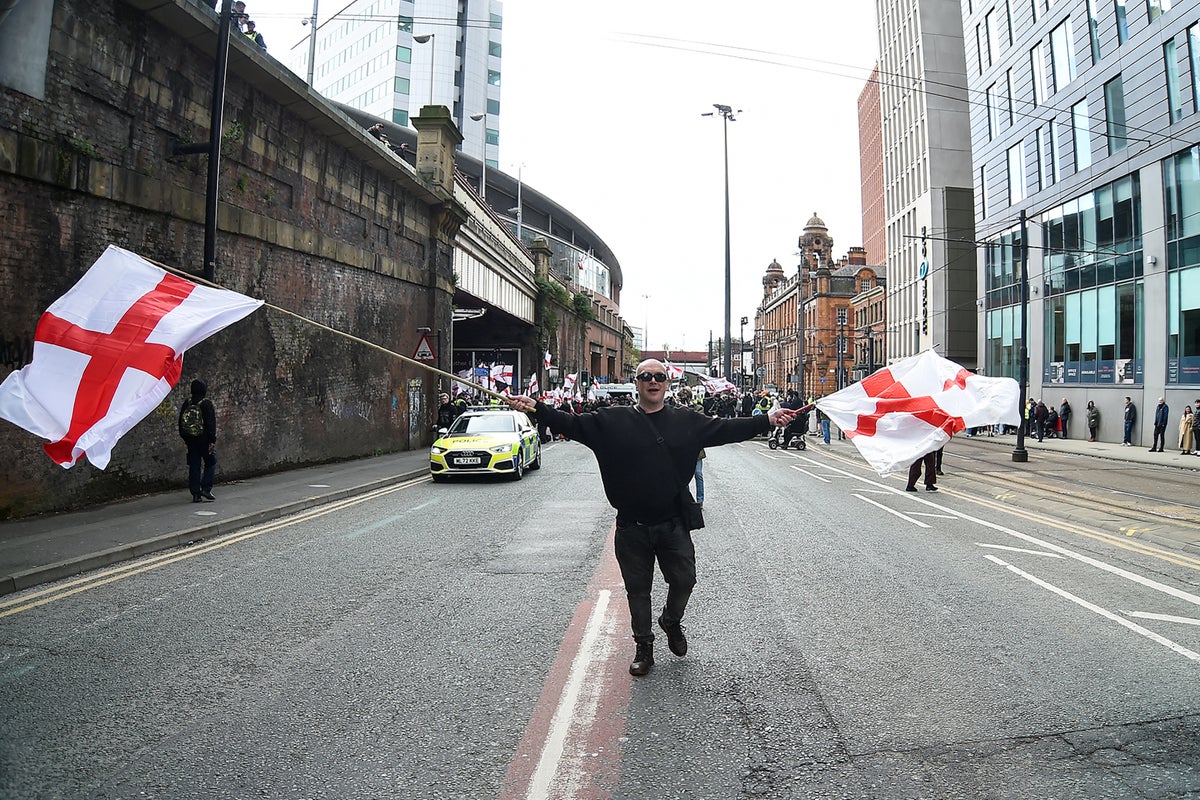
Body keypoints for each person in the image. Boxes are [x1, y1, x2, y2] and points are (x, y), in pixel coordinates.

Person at [504, 359, 796, 677]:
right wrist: (536, 407)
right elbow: (568, 423)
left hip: (673, 523)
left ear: (666, 383)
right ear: (637, 383)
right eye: (646, 377)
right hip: (631, 526)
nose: (653, 382)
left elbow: (728, 429)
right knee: (637, 591)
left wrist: (767, 419)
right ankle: (644, 647)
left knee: (685, 581)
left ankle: (671, 620)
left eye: (659, 377)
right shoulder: (609, 421)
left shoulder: (687, 421)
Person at [178, 379, 217, 503]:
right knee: (211, 462)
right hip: (204, 441)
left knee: (194, 466)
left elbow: (180, 423)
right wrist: (212, 440)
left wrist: (186, 438)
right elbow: (211, 424)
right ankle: (206, 488)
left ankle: (196, 494)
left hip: (191, 441)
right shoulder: (206, 404)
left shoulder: (187, 403)